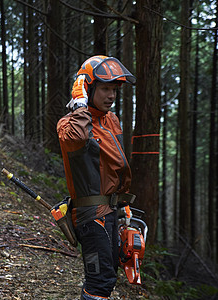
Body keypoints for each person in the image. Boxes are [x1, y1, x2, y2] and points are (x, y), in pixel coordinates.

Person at [57, 55, 136, 299]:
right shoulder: (69, 124)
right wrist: (80, 105)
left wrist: (123, 208)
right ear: (87, 88)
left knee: (109, 274)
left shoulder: (111, 120)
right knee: (99, 280)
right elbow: (77, 139)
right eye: (105, 88)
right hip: (91, 216)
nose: (111, 95)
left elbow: (116, 166)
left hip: (111, 211)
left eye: (114, 89)